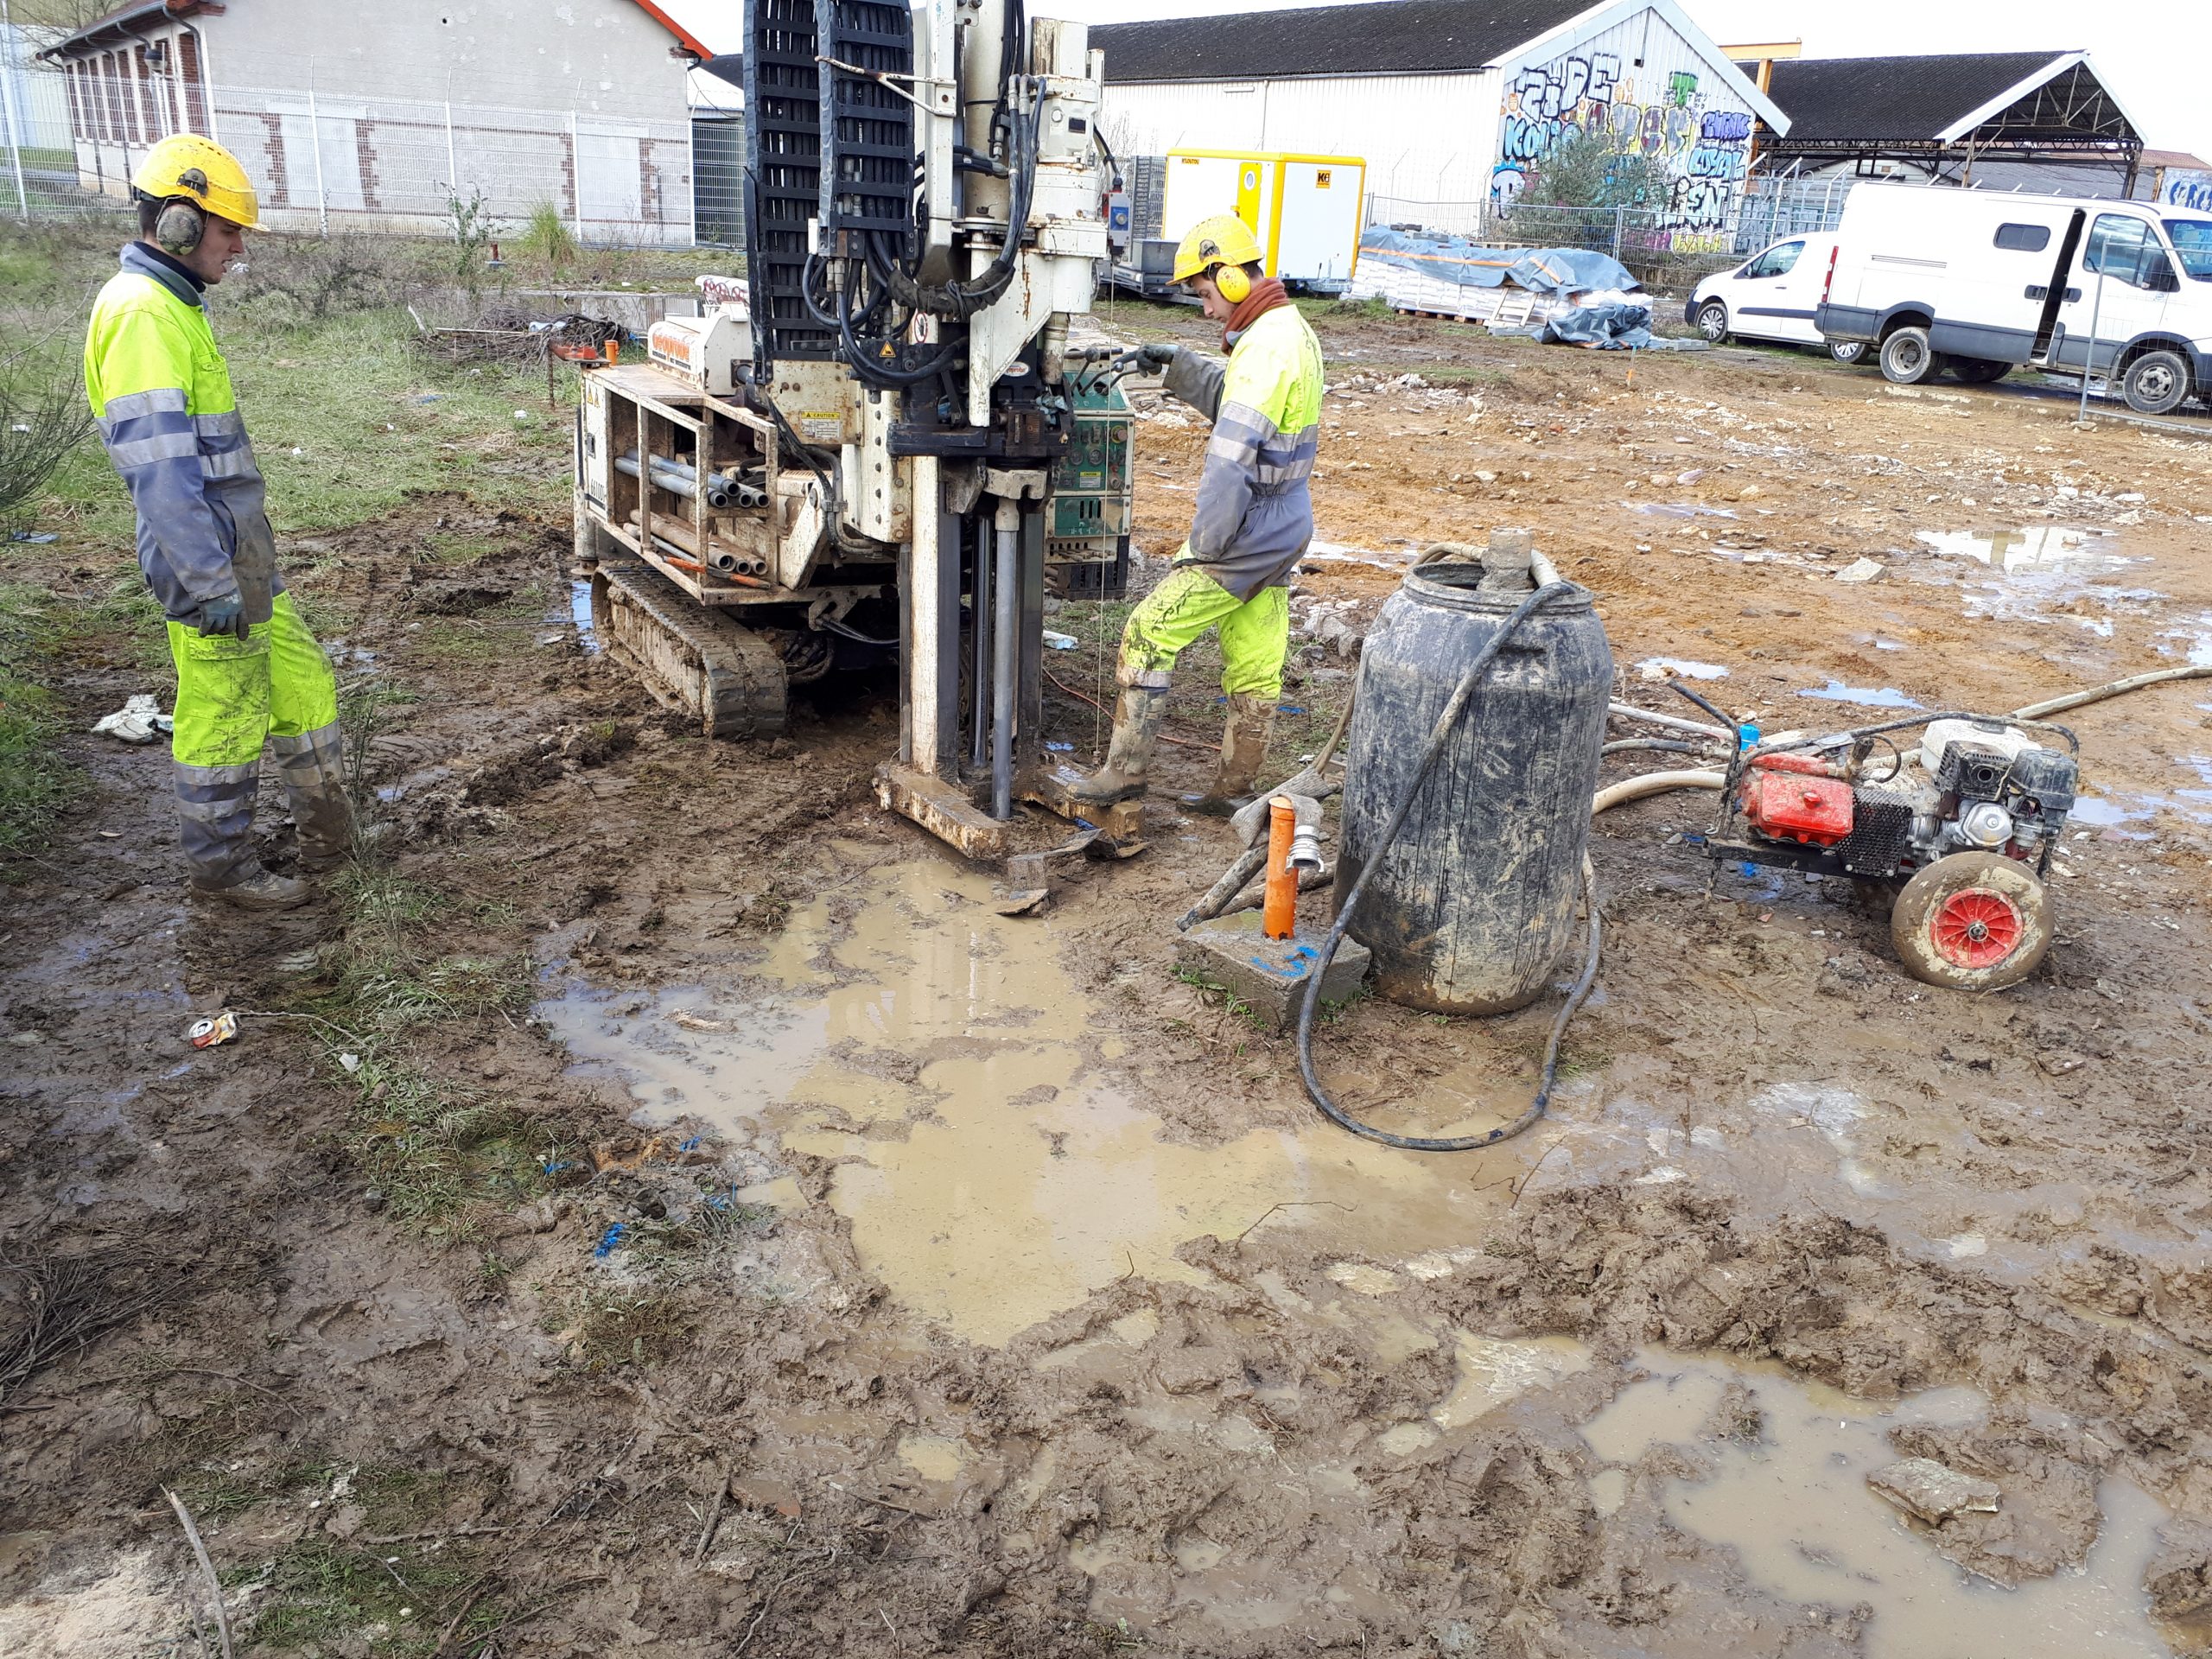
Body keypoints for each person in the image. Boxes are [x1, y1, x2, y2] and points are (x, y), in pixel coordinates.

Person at [84, 134, 349, 910]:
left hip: (242, 557)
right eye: (228, 230)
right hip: (210, 568)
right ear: (176, 222)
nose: (237, 248)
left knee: (303, 682)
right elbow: (161, 472)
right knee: (225, 715)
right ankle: (223, 874)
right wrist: (209, 581)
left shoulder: (174, 304)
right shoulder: (141, 314)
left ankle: (330, 843)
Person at [1071, 213, 1324, 814]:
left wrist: (1205, 548)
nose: (1207, 309)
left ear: (1232, 277)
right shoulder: (1289, 331)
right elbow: (1240, 397)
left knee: (1149, 630)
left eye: (1206, 293)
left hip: (1251, 526)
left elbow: (1230, 463)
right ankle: (1233, 792)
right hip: (1287, 522)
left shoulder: (1264, 348)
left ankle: (1124, 774)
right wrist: (1179, 365)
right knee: (1256, 654)